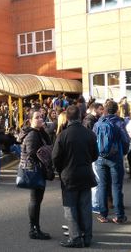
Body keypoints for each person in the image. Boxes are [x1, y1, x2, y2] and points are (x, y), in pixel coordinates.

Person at [53, 105, 98, 248]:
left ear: (67, 118)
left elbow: (55, 157)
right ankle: (87, 237)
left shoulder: (63, 135)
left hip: (68, 175)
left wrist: (61, 170)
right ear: (81, 117)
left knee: (70, 208)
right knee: (85, 207)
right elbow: (95, 155)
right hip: (85, 174)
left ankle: (75, 237)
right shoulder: (90, 134)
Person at [93, 100, 130, 224]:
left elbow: (94, 139)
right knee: (116, 186)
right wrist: (124, 152)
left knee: (102, 185)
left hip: (100, 157)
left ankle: (103, 214)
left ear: (104, 109)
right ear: (116, 110)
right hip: (115, 157)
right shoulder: (119, 122)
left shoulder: (99, 122)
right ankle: (119, 216)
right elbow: (125, 140)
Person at [17, 110, 52, 240]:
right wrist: (45, 160)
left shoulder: (39, 132)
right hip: (34, 171)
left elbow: (48, 143)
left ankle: (35, 228)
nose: (40, 119)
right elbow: (32, 153)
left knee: (37, 200)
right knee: (35, 200)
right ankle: (34, 229)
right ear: (30, 120)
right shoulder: (32, 134)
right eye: (37, 117)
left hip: (38, 170)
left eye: (42, 117)